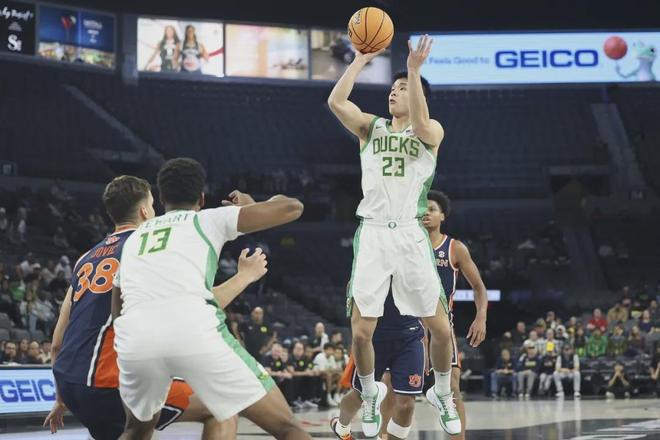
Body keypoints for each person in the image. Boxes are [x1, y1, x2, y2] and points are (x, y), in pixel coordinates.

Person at [111, 158, 308, 440]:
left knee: (136, 430)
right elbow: (292, 207)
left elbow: (117, 309)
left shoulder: (134, 239)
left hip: (135, 341)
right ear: (201, 199)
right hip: (193, 332)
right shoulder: (207, 219)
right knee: (286, 427)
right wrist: (250, 205)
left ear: (162, 199)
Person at [327, 35, 461, 435]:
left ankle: (442, 393)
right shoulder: (372, 128)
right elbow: (336, 102)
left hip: (408, 233)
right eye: (392, 87)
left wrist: (413, 72)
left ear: (418, 95)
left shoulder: (431, 130)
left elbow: (420, 124)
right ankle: (369, 394)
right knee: (361, 331)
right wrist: (358, 61)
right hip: (372, 233)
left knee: (440, 329)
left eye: (401, 88)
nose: (393, 92)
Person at [44, 176, 235, 439]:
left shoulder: (85, 258)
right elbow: (200, 306)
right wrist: (246, 275)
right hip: (109, 381)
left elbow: (57, 342)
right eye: (153, 205)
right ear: (145, 211)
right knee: (221, 409)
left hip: (70, 383)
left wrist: (61, 399)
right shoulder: (148, 250)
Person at [423, 190, 488, 440]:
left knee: (452, 387)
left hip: (441, 325)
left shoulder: (455, 248)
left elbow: (479, 287)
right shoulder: (407, 245)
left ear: (443, 216)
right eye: (422, 209)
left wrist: (480, 317)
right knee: (396, 389)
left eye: (431, 209)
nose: (426, 213)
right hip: (410, 325)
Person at [331, 291, 427, 440]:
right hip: (373, 338)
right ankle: (342, 426)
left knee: (407, 404)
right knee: (360, 394)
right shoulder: (363, 277)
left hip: (409, 336)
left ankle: (384, 437)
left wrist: (427, 343)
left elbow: (426, 302)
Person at [287, 342, 320, 409]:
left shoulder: (305, 358)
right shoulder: (290, 358)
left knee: (312, 377)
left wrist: (313, 371)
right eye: (297, 348)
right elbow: (292, 373)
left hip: (302, 377)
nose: (299, 350)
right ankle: (294, 400)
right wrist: (305, 373)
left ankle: (307, 399)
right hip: (292, 378)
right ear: (293, 349)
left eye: (301, 349)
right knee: (296, 378)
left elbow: (309, 368)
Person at [313, 343, 341, 407]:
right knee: (329, 375)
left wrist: (332, 370)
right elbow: (321, 370)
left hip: (328, 375)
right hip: (317, 375)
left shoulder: (331, 357)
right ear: (324, 350)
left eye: (332, 350)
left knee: (339, 375)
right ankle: (329, 396)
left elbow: (335, 369)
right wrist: (331, 370)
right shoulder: (320, 357)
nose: (330, 351)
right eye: (329, 349)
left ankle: (336, 395)